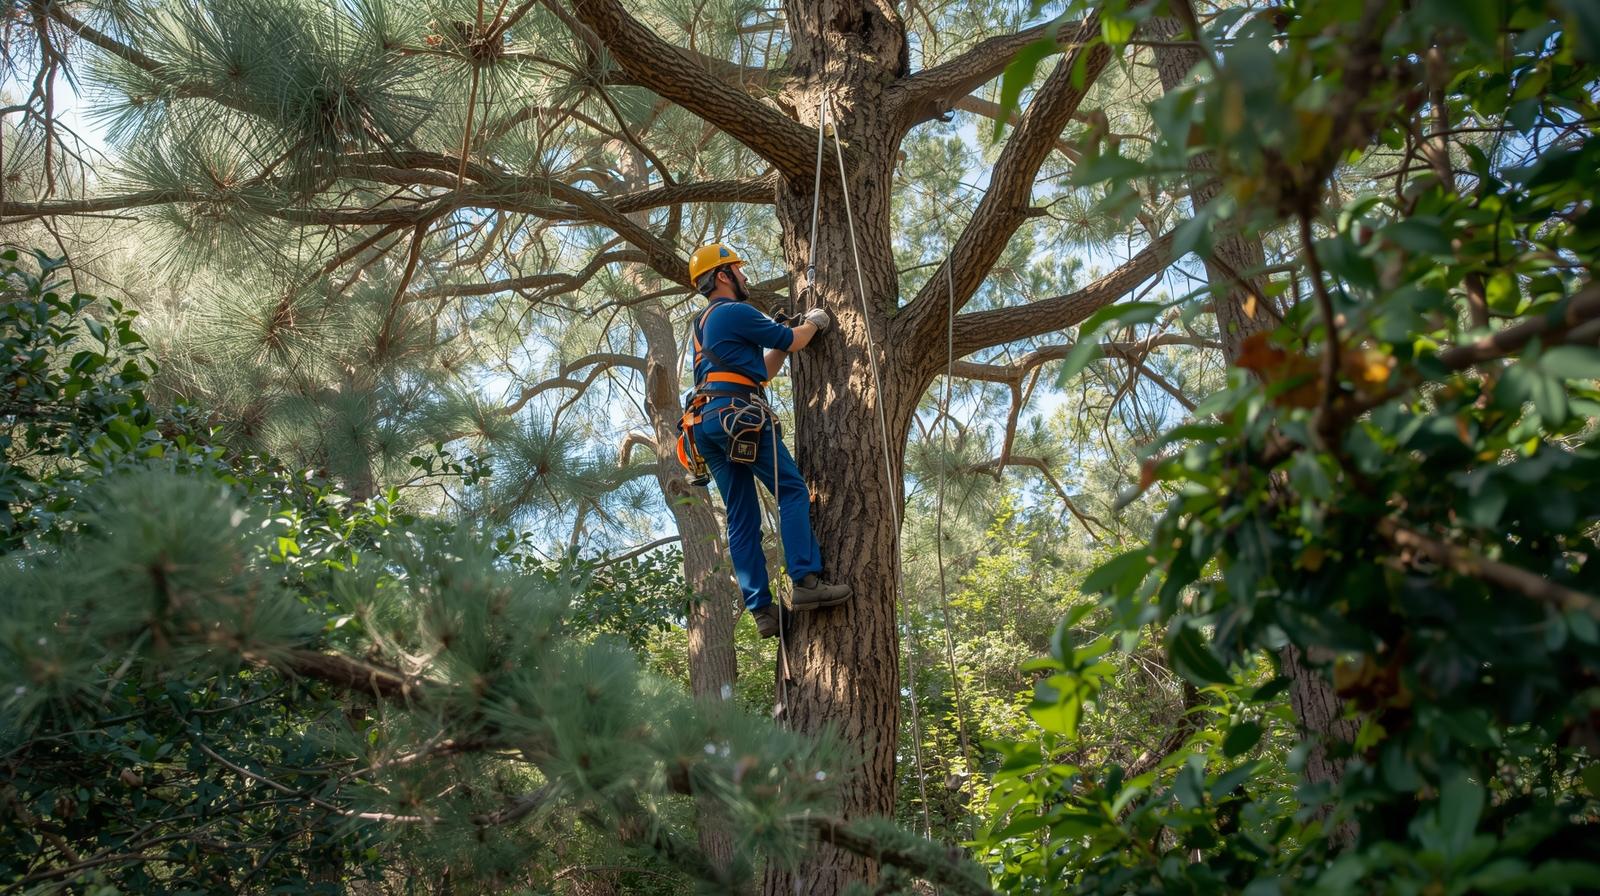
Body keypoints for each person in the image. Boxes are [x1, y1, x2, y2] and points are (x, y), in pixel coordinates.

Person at [681, 243, 851, 638]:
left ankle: (762, 611)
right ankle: (806, 581)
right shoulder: (735, 311)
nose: (744, 276)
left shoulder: (701, 325)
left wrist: (783, 340)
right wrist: (814, 323)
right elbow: (794, 340)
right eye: (738, 270)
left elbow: (764, 371)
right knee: (790, 490)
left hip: (707, 424)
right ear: (723, 275)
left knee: (741, 517)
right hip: (738, 415)